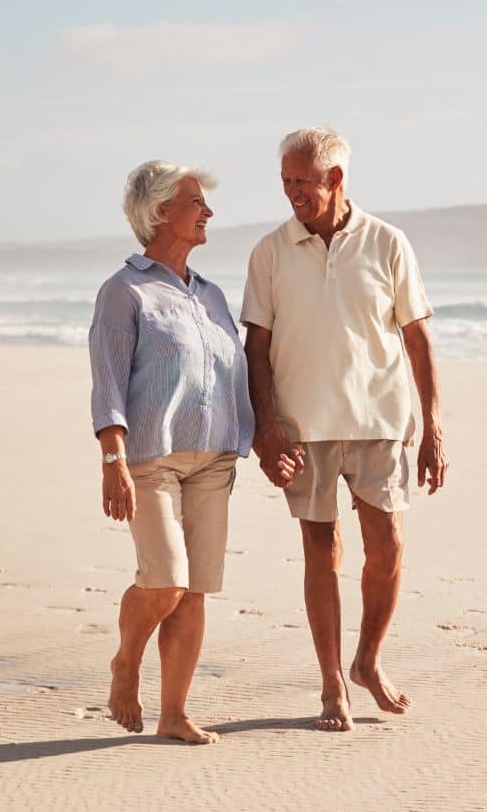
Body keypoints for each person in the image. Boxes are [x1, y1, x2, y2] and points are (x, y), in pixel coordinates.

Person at [242, 126, 448, 732]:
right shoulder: (271, 251)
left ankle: (368, 661)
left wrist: (432, 425)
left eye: (301, 181)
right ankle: (333, 682)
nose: (291, 193)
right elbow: (257, 347)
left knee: (387, 548)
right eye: (284, 181)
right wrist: (267, 427)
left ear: (335, 178)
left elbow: (417, 338)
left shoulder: (388, 243)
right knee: (320, 551)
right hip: (303, 426)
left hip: (381, 422)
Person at [89, 161, 281, 744]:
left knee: (194, 590)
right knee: (165, 582)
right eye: (196, 201)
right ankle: (126, 663)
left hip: (215, 460)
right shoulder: (124, 291)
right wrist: (112, 460)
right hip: (151, 459)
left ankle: (173, 715)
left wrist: (266, 438)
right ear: (160, 212)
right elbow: (108, 384)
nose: (208, 211)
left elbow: (238, 372)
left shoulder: (213, 295)